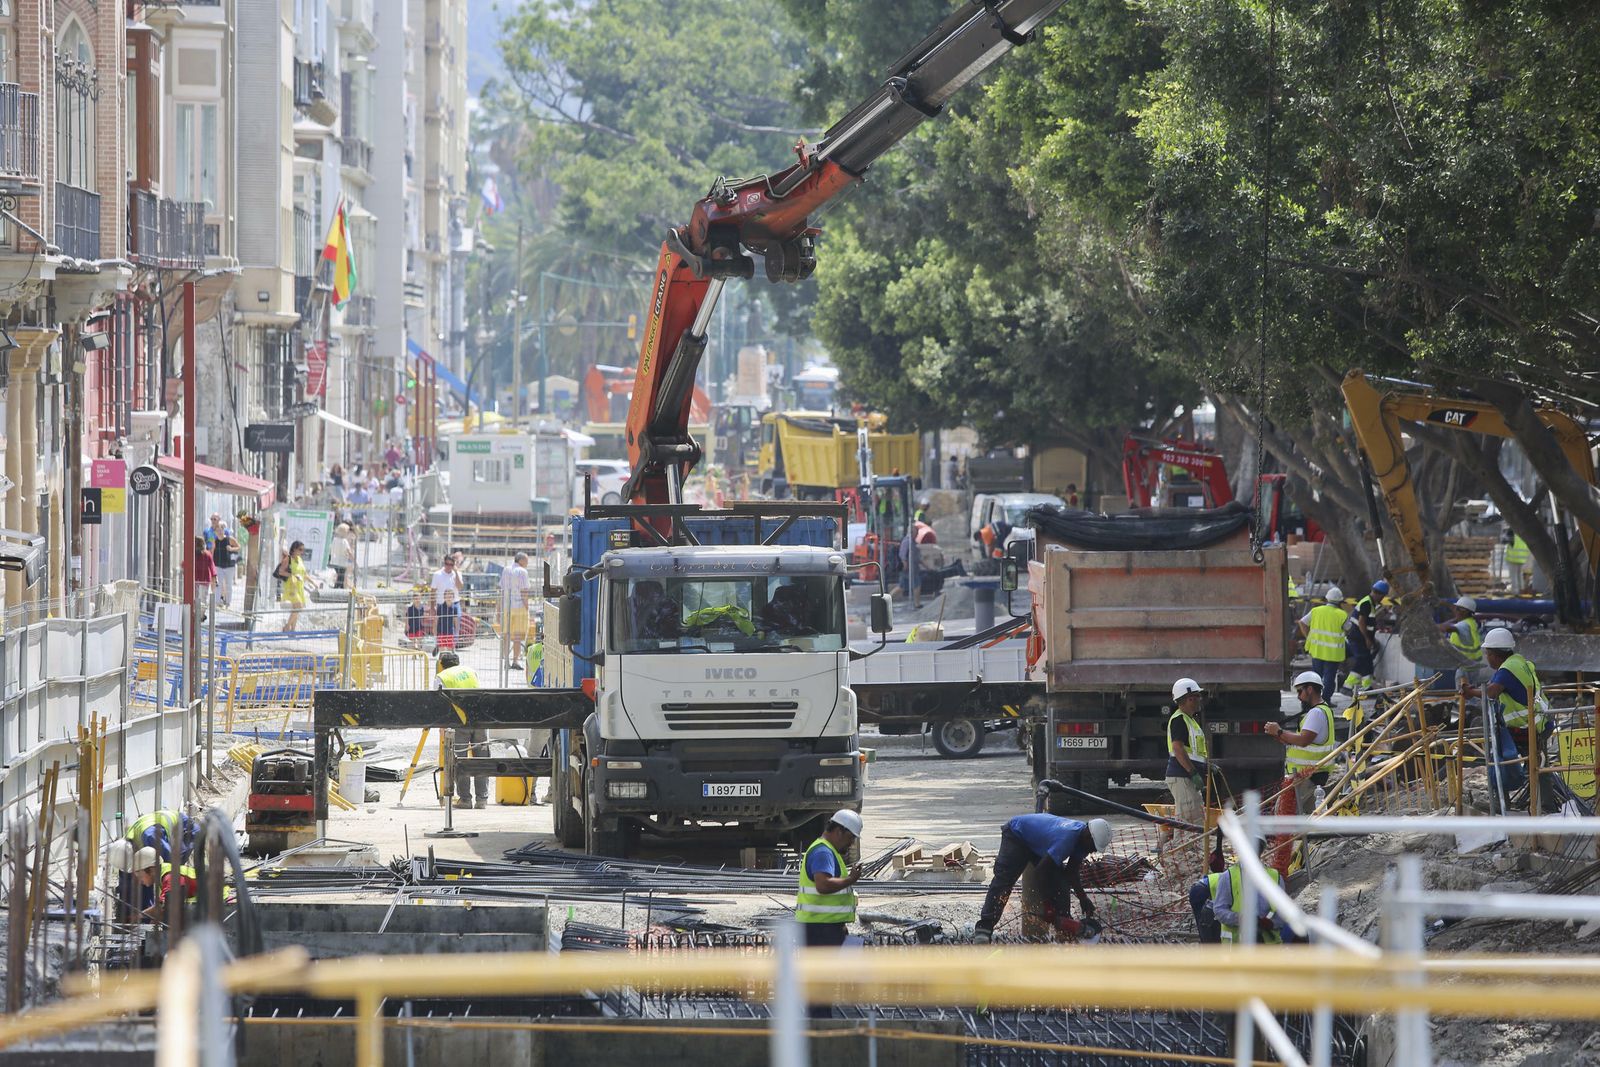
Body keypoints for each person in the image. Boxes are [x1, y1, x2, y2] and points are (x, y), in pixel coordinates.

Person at [972, 814, 1112, 942]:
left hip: (1039, 842)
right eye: (1094, 847)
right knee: (1004, 880)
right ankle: (984, 927)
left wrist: (1083, 898)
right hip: (1017, 834)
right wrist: (1047, 904)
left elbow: (1071, 872)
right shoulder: (1067, 840)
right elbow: (1040, 872)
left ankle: (1064, 929)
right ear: (1089, 837)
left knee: (1060, 883)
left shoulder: (1083, 842)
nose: (1093, 851)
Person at [1464, 627, 1549, 799]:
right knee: (1539, 766)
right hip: (1540, 722)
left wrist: (1470, 692)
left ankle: (1502, 801)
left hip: (1526, 726)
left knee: (1497, 755)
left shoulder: (1506, 671)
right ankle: (1544, 803)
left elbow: (1491, 692)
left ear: (1495, 655)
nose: (1487, 657)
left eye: (1487, 654)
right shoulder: (1518, 662)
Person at [794, 808, 864, 1017]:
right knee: (820, 985)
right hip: (819, 930)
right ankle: (819, 1031)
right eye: (850, 838)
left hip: (823, 927)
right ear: (839, 831)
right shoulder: (823, 851)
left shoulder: (825, 850)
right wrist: (850, 880)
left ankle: (820, 1026)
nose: (851, 844)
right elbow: (823, 885)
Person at [1189, 837, 1304, 945]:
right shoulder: (1228, 877)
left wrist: (1271, 923)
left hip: (1266, 950)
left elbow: (1281, 914)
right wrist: (1240, 919)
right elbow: (1219, 910)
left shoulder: (1275, 877)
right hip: (1236, 949)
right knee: (1207, 922)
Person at [1265, 671, 1336, 814]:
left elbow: (1304, 740)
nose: (1298, 697)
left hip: (1308, 776)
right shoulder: (1321, 710)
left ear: (1309, 689)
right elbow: (1306, 741)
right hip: (1309, 775)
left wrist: (1280, 731)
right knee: (1303, 815)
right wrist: (1282, 737)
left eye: (1300, 691)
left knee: (1285, 814)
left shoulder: (1316, 713)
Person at [435, 650, 489, 809]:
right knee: (482, 760)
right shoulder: (470, 671)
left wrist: (442, 727)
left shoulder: (442, 677)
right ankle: (482, 800)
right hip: (480, 719)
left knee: (460, 761)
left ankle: (465, 799)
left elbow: (438, 704)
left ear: (441, 665)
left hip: (459, 722)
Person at [1166, 678, 1210, 828]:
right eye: (1198, 696)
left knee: (1194, 817)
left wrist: (1207, 765)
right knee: (1188, 820)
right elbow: (1178, 748)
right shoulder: (1180, 720)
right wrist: (1193, 773)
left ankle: (1187, 849)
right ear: (1189, 698)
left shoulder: (1190, 720)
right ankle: (1182, 850)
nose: (1200, 700)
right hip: (1183, 776)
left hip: (1186, 777)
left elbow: (1194, 751)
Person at [1297, 586, 1348, 699]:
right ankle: (1325, 701)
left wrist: (1308, 637)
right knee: (1329, 678)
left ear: (1327, 599)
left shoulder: (1316, 611)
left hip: (1317, 650)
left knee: (1315, 677)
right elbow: (1348, 629)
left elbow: (1302, 622)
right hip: (1333, 653)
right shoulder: (1342, 614)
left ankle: (1312, 700)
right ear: (1340, 601)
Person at [132, 846, 196, 921]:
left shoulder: (169, 876)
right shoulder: (162, 876)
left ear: (151, 870)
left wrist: (141, 915)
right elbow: (161, 905)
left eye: (140, 876)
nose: (140, 881)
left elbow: (163, 906)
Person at [500, 551, 532, 668]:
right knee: (517, 636)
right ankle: (515, 660)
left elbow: (502, 590)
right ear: (521, 560)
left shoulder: (506, 570)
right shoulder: (523, 572)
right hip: (519, 607)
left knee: (506, 635)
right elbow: (524, 592)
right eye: (526, 560)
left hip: (506, 607)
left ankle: (506, 661)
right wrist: (527, 608)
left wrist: (499, 608)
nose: (527, 562)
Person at [277, 540, 315, 632]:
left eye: (303, 550)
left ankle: (292, 630)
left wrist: (313, 582)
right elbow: (280, 571)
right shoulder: (288, 559)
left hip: (299, 587)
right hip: (291, 587)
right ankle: (287, 627)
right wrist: (292, 575)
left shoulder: (300, 560)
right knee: (298, 607)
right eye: (300, 549)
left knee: (296, 609)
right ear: (294, 549)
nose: (302, 552)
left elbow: (304, 574)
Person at [431, 554, 464, 650]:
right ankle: (439, 644)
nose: (449, 566)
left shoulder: (457, 574)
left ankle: (452, 646)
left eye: (451, 564)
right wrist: (432, 607)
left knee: (455, 625)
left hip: (454, 604)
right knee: (440, 626)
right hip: (441, 605)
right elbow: (433, 591)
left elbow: (460, 587)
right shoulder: (437, 574)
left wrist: (456, 572)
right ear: (444, 563)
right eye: (447, 564)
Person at [1439, 595, 1483, 667]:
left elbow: (1447, 628)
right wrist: (1444, 603)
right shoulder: (1470, 622)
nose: (1455, 611)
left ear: (1464, 612)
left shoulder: (1464, 625)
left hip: (1465, 667)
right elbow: (1454, 609)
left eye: (1457, 609)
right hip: (1470, 663)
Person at [210, 517, 239, 608]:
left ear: (223, 530)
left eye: (221, 529)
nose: (219, 531)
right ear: (215, 532)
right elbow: (212, 551)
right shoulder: (215, 540)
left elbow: (238, 547)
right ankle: (218, 602)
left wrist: (231, 548)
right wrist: (211, 563)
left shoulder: (229, 539)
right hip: (218, 565)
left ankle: (228, 602)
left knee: (228, 584)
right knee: (218, 584)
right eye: (217, 530)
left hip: (229, 566)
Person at [329, 523, 354, 589]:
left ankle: (340, 589)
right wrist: (353, 559)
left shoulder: (334, 540)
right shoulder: (344, 541)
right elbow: (349, 551)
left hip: (334, 561)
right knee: (341, 578)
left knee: (339, 577)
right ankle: (337, 590)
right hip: (342, 562)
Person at [193, 536, 216, 608]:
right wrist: (214, 578)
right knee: (203, 599)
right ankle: (201, 615)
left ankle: (196, 614)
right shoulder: (207, 554)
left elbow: (184, 564)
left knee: (195, 598)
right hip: (204, 580)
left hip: (195, 580)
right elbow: (212, 568)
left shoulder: (192, 554)